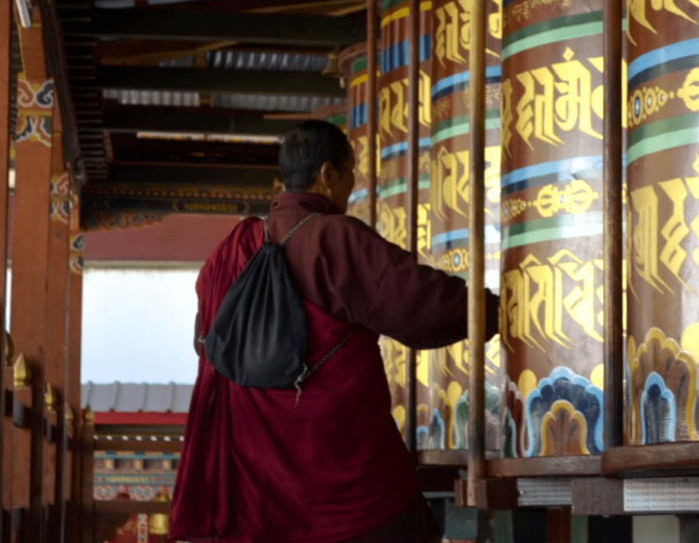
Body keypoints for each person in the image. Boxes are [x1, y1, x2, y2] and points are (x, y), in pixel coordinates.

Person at [169, 120, 499, 543]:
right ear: (327, 175)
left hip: (253, 486)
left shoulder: (228, 255)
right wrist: (496, 309)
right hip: (340, 481)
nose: (351, 187)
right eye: (349, 175)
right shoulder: (334, 239)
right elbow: (419, 303)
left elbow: (206, 343)